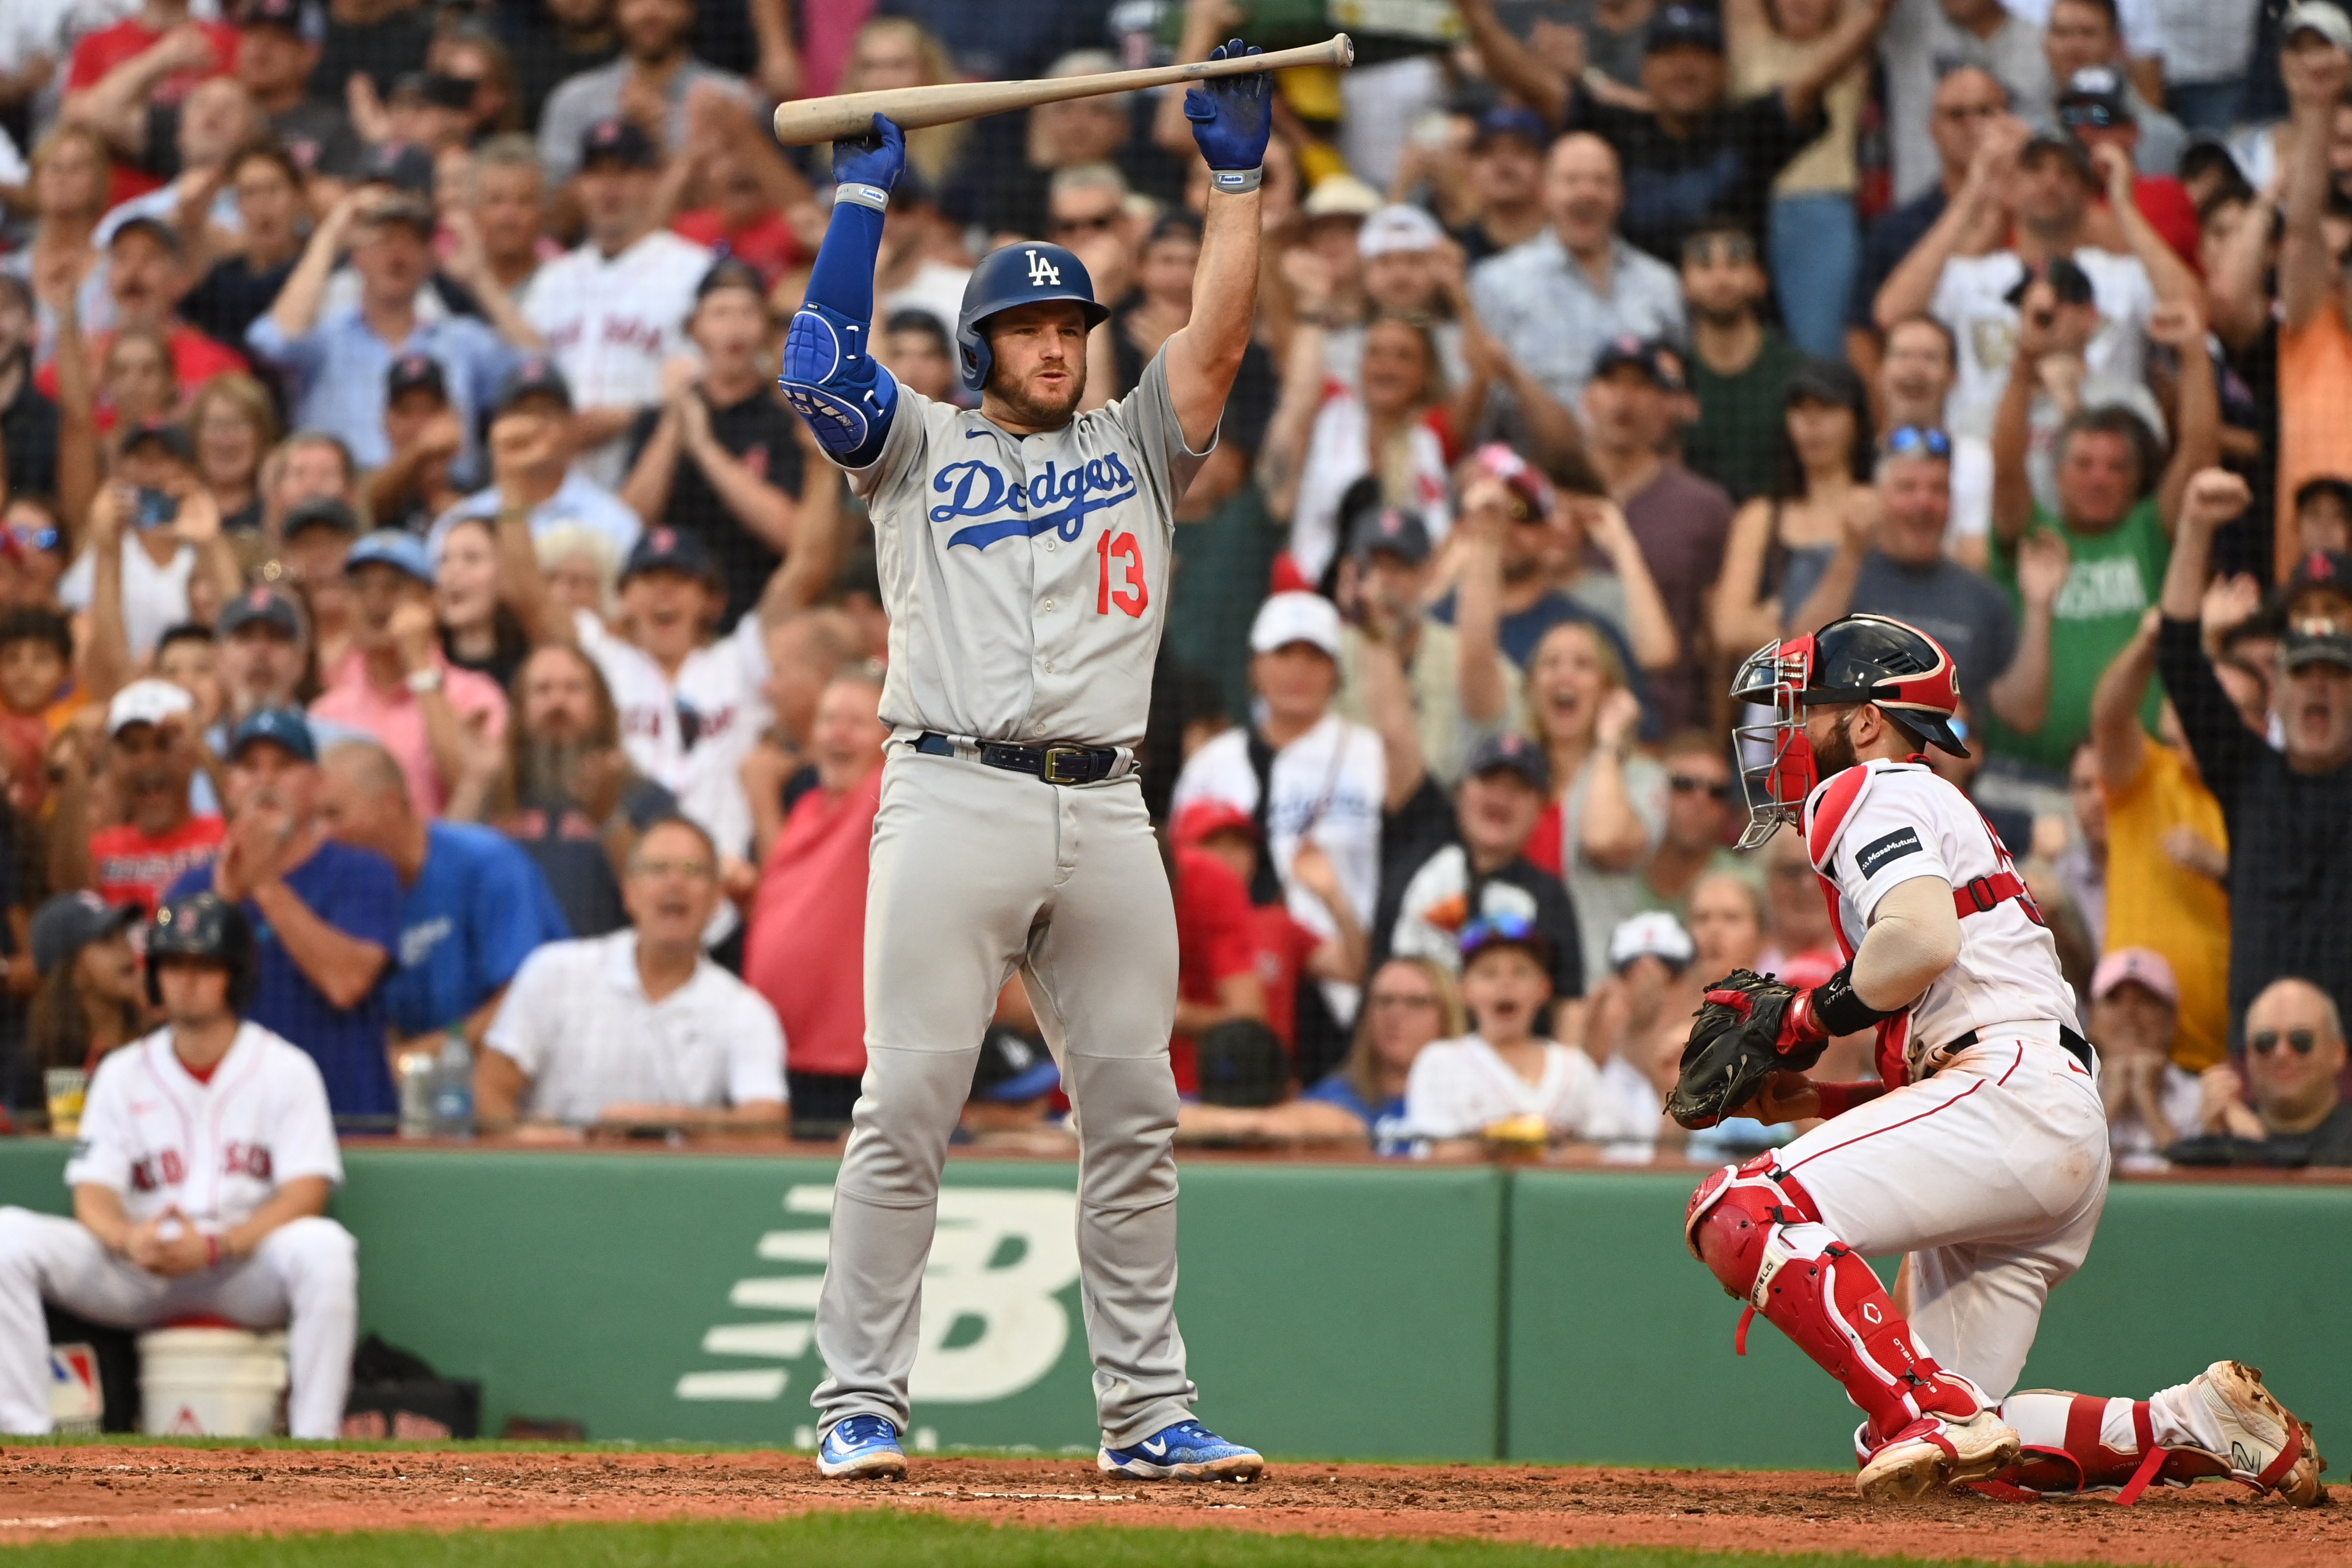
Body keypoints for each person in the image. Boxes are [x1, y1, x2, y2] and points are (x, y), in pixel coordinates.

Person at [776, 62, 1273, 1481]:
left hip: (1107, 802)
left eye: (1072, 326)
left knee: (1134, 1115)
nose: (1058, 347)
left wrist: (1237, 191)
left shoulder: (1137, 446)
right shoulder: (919, 447)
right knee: (909, 1104)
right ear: (983, 344)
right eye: (1031, 329)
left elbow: (1222, 342)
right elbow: (818, 368)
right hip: (951, 789)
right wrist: (862, 199)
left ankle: (1147, 1415)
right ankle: (859, 1401)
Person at [1684, 610, 2324, 1506]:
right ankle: (2189, 1422)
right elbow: (1954, 1021)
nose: (1785, 735)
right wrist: (1823, 1103)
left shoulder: (1870, 788)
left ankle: (1930, 1412)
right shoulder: (1929, 807)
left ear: (1868, 722)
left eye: (1807, 710)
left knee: (1742, 1206)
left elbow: (1919, 944)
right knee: (1961, 1455)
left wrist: (1805, 1014)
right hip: (2040, 1112)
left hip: (2013, 1096)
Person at [0, 892, 356, 1439]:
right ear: (155, 976)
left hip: (241, 1267)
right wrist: (126, 1239)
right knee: (7, 1238)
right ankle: (26, 1440)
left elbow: (306, 1191)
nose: (186, 980)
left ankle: (316, 1446)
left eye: (204, 964)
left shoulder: (286, 1069)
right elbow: (92, 1193)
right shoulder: (123, 1072)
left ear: (234, 975)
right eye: (173, 964)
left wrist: (220, 1245)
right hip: (142, 1268)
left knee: (326, 1247)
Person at [1458, 0, 1887, 265]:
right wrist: (1476, 15)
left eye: (1699, 56)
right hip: (1631, 313)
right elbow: (1535, 85)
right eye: (1668, 55)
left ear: (1723, 72)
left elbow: (1811, 83)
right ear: (1646, 71)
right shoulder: (1614, 129)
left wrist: (1872, 16)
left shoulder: (1749, 130)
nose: (1684, 68)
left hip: (1728, 311)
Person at [1985, 290, 2216, 774]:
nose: (2099, 478)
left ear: (2137, 478)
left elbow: (2197, 456)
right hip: (2030, 779)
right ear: (2058, 473)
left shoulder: (2152, 532)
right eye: (2084, 464)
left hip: (2143, 777)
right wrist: (2025, 361)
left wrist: (2194, 355)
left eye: (2116, 467)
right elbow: (2006, 465)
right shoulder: (2032, 537)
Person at [2156, 468, 2352, 1036]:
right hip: (2257, 1063)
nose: (2318, 686)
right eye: (2303, 672)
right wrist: (2193, 524)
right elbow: (2177, 656)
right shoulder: (2245, 772)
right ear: (2277, 692)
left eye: (2337, 675)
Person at [1171, 592, 1392, 1070]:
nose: (1299, 669)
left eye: (1315, 656)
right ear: (1255, 665)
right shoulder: (1214, 762)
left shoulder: (1373, 754)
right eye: (1284, 653)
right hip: (1224, 972)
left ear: (1336, 669)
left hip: (1335, 969)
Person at [167, 708, 401, 1122]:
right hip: (228, 1127)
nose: (266, 780)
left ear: (317, 783)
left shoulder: (364, 873)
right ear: (229, 786)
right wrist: (224, 902)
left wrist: (265, 884)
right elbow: (174, 1007)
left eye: (284, 765)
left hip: (345, 1123)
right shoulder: (189, 890)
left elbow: (345, 983)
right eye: (250, 767)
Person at [477, 815, 784, 1131]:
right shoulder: (554, 971)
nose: (674, 883)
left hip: (677, 1178)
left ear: (718, 896)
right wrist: (524, 1136)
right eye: (657, 869)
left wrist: (671, 1121)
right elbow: (489, 1090)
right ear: (629, 891)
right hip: (560, 1173)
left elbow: (770, 1126)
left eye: (693, 871)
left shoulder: (745, 1010)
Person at [1782, 430, 2061, 733]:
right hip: (1842, 767)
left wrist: (2039, 606)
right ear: (1878, 498)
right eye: (1907, 488)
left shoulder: (1981, 596)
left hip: (1943, 771)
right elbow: (1796, 665)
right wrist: (1850, 554)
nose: (1924, 502)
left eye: (1938, 490)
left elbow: (2023, 715)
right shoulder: (1824, 565)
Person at [314, 738, 569, 1055]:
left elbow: (524, 999)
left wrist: (426, 1052)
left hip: (520, 1072)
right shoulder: (355, 893)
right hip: (428, 1083)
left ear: (390, 804)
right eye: (314, 818)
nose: (322, 833)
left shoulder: (489, 864)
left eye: (333, 814)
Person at [246, 185, 517, 476]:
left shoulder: (461, 339)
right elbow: (274, 341)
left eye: (411, 241)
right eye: (384, 240)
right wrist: (328, 240)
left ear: (430, 259)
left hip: (443, 503)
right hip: (341, 502)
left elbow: (538, 366)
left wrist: (479, 277)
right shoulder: (326, 338)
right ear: (357, 256)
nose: (397, 254)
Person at [522, 117, 713, 490]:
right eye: (596, 174)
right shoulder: (552, 279)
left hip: (661, 477)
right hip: (557, 486)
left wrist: (632, 417)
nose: (609, 188)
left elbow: (712, 380)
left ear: (653, 181)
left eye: (624, 172)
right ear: (578, 186)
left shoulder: (694, 269)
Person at [620, 257, 805, 627]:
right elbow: (627, 524)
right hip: (670, 611)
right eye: (720, 314)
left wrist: (705, 447)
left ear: (766, 329)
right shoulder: (660, 418)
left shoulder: (786, 419)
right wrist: (675, 422)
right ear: (695, 329)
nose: (735, 328)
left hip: (757, 610)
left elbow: (792, 535)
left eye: (747, 313)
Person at [742, 665, 889, 1127]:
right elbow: (788, 900)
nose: (837, 734)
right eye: (828, 720)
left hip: (852, 1065)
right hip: (782, 1055)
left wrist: (761, 794)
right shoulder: (807, 807)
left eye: (856, 722)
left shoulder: (886, 795)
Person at [2088, 610, 2232, 1072]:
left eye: (2224, 707)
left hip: (2213, 1064)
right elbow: (2109, 716)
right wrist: (2151, 644)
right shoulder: (2149, 774)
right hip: (2121, 1053)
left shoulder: (2255, 800)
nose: (2203, 714)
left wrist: (2227, 868)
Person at [1466, 134, 1687, 424]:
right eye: (1572, 181)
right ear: (1545, 193)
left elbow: (1678, 394)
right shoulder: (1497, 283)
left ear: (1621, 195)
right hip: (1535, 464)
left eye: (1601, 181)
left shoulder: (1660, 284)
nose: (1587, 193)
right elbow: (1479, 401)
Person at [473, 642, 680, 939]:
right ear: (519, 709)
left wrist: (609, 818)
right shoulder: (492, 795)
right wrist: (472, 781)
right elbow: (445, 879)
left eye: (573, 689)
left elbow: (662, 898)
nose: (557, 702)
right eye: (542, 690)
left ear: (602, 707)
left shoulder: (645, 797)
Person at [1580, 337, 1733, 733]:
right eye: (1612, 383)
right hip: (1564, 721)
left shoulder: (1705, 507)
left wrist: (1714, 742)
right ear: (1587, 398)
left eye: (1641, 386)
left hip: (1667, 726)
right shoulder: (1554, 497)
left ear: (1665, 405)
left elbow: (1716, 646)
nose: (1624, 399)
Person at [309, 530, 509, 819]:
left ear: (431, 601)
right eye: (360, 587)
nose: (375, 601)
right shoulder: (327, 710)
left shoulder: (475, 695)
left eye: (394, 587)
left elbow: (477, 794)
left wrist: (419, 663)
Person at [1176, 954, 1463, 1152]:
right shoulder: (1337, 1098)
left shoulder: (1472, 1093)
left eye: (1416, 1003)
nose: (1395, 1015)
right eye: (1383, 1001)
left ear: (1448, 1013)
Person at [1383, 731, 1584, 1013]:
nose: (1501, 797)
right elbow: (1395, 735)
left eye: (1520, 788)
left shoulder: (1551, 896)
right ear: (1460, 790)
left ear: (1541, 811)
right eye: (1489, 780)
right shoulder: (1416, 847)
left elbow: (1569, 1003)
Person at [1521, 619, 1666, 976]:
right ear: (1531, 687)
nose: (1564, 676)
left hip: (1591, 980)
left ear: (1608, 691)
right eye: (1550, 664)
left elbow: (1604, 840)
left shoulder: (1642, 776)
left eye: (1583, 665)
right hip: (1509, 977)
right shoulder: (1508, 773)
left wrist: (1609, 745)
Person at [1849, 66, 2014, 375]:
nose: (1973, 125)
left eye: (1986, 112)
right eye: (1957, 115)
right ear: (1933, 128)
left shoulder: (2043, 210)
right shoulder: (1894, 229)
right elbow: (1865, 330)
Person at [1712, 359, 1877, 652]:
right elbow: (1729, 628)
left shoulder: (1879, 506)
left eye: (1827, 408)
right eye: (1800, 410)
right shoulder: (1761, 516)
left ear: (1856, 421)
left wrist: (1779, 624)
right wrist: (1800, 632)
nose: (1812, 424)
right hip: (1777, 692)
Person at [1402, 917, 1605, 1147]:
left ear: (1544, 988)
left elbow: (1599, 1154)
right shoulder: (1441, 1061)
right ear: (1464, 991)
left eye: (1520, 972)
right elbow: (1439, 1156)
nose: (1505, 983)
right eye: (1489, 974)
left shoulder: (1576, 1066)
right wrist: (1504, 1142)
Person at [536, 0, 749, 186]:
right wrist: (615, 145)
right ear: (615, 11)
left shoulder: (730, 97)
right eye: (635, 1)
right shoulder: (574, 100)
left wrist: (661, 142)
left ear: (689, 9)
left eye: (666, 1)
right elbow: (553, 216)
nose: (650, 12)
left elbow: (744, 206)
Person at [64, 679, 223, 918]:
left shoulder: (225, 836)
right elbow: (68, 892)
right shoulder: (101, 849)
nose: (147, 761)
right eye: (131, 748)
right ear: (111, 761)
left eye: (164, 744)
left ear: (192, 754)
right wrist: (77, 763)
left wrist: (203, 751)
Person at [1679, 220, 1810, 504]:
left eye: (1735, 265)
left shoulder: (1797, 372)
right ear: (1684, 283)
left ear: (1761, 280)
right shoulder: (1673, 377)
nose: (1721, 278)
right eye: (1705, 267)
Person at [2170, 976, 2352, 1167]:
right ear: (2248, 1058)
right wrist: (2213, 1151)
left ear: (2338, 1054)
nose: (2281, 1053)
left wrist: (2255, 1152)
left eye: (2301, 1041)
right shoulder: (2228, 1130)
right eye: (2265, 1042)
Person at [1874, 315, 1996, 565]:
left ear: (1953, 377)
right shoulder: (1857, 455)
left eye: (1930, 358)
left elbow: (1976, 558)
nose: (1915, 370)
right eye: (1902, 355)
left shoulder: (1976, 460)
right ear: (1881, 372)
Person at [2085, 946, 2202, 1168]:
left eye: (2146, 1000)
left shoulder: (2200, 1097)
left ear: (2172, 1019)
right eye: (2115, 1000)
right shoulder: (2070, 1093)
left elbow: (2199, 1188)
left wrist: (2147, 1100)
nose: (2129, 1013)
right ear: (2093, 1019)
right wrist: (2111, 1104)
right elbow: (2058, 1178)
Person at [24, 892, 145, 1078]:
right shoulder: (44, 1065)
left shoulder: (162, 1046)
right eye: (106, 940)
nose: (125, 947)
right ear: (73, 972)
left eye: (123, 935)